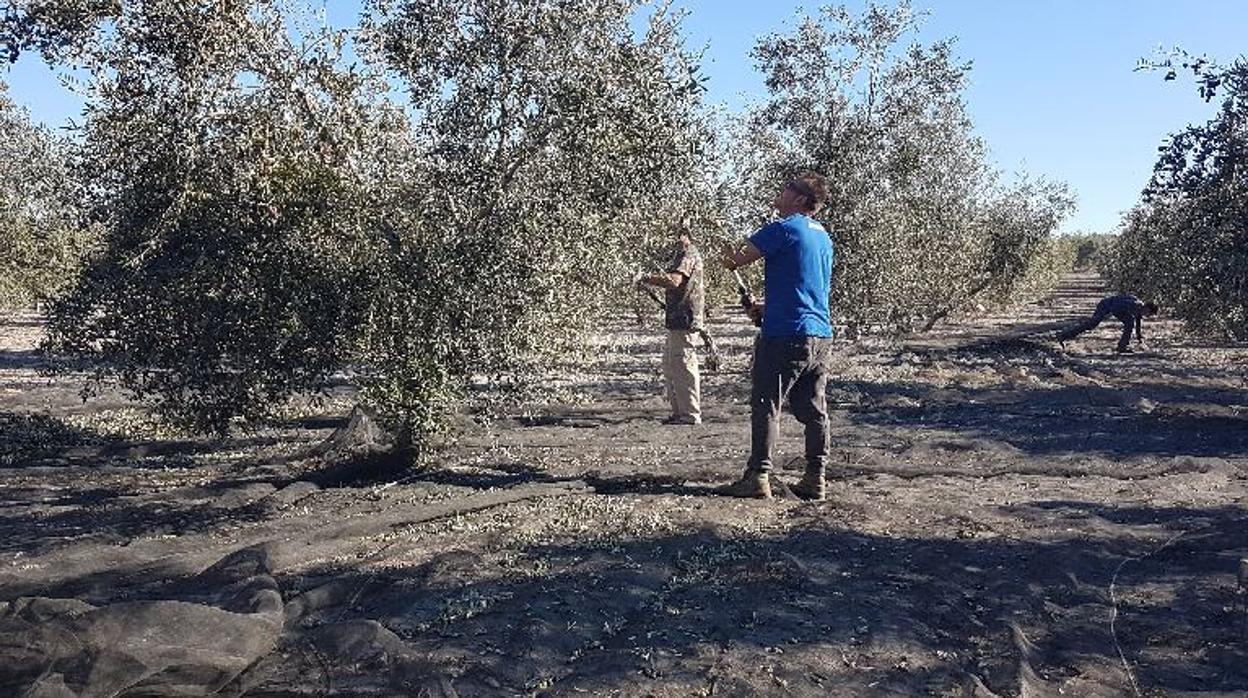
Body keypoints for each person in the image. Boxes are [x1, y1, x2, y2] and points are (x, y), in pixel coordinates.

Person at [719, 173, 834, 500]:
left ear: (799, 199)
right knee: (814, 409)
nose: (780, 192)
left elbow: (733, 259)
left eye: (787, 188)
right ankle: (816, 478)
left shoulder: (783, 228)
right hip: (819, 335)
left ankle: (758, 476)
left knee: (766, 402)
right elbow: (808, 289)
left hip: (785, 334)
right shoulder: (823, 237)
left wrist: (716, 236)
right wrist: (767, 306)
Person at [636, 228, 705, 425]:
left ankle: (690, 414)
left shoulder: (688, 253)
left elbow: (674, 281)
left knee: (684, 365)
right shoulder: (680, 254)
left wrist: (645, 277)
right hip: (678, 319)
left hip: (686, 319)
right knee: (672, 365)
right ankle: (680, 413)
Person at [1056, 293, 1158, 353]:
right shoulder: (1134, 304)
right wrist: (1111, 315)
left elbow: (1138, 326)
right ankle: (1063, 335)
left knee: (1130, 323)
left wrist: (1140, 339)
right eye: (1149, 314)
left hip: (1113, 308)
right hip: (1105, 305)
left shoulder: (1139, 310)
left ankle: (1122, 347)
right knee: (1091, 324)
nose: (1148, 316)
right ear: (1146, 308)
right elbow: (1115, 308)